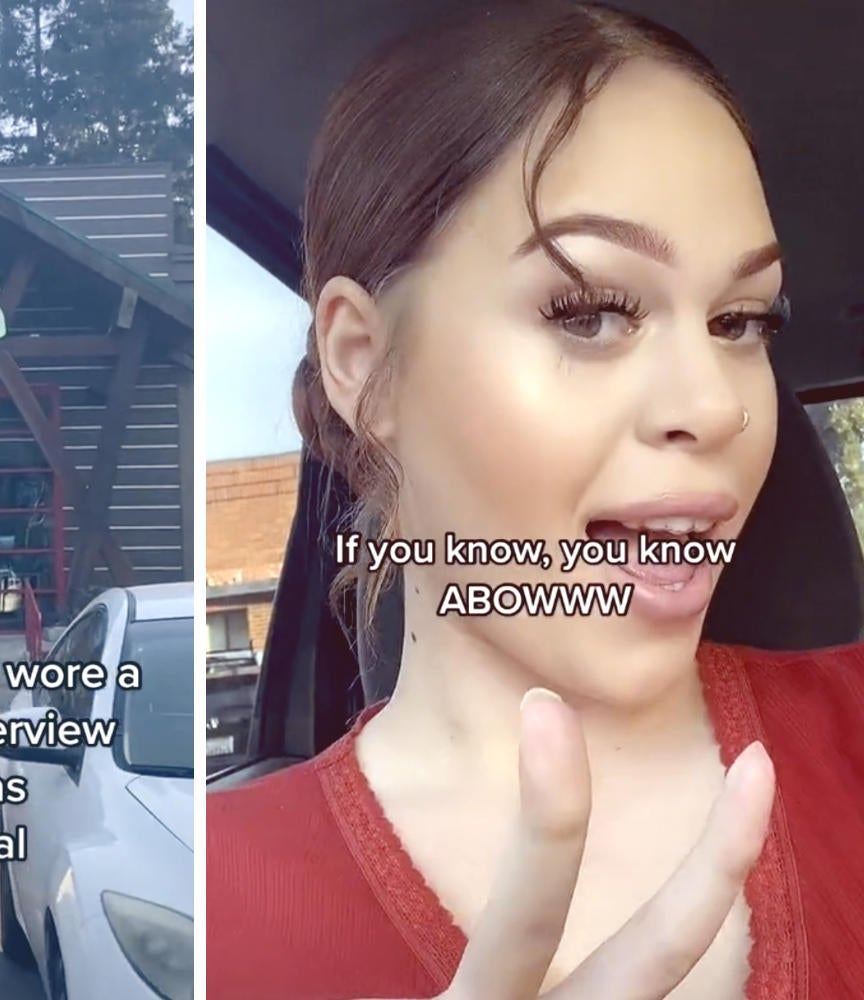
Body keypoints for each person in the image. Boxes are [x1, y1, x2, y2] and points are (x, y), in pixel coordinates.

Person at [208, 4, 864, 998]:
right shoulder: (214, 905)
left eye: (737, 321)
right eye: (588, 310)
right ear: (364, 361)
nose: (715, 406)